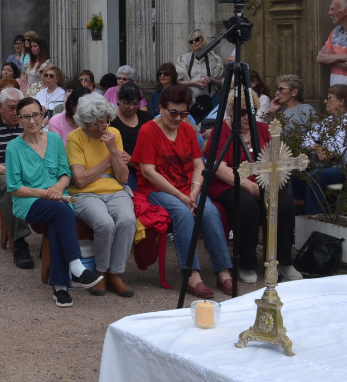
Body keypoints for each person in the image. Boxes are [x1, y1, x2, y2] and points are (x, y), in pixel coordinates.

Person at [132, 85, 234, 299]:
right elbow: (148, 172)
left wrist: (194, 192)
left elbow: (199, 164)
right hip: (156, 188)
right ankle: (191, 274)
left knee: (210, 211)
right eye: (173, 113)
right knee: (183, 212)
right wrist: (182, 197)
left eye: (184, 113)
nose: (179, 118)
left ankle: (223, 270)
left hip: (188, 187)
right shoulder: (148, 130)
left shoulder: (187, 129)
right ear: (161, 108)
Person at [5, 96, 105, 307]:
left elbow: (65, 173)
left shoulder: (55, 140)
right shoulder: (13, 147)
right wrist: (45, 193)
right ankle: (76, 267)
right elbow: (14, 187)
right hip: (29, 201)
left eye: (35, 115)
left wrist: (58, 188)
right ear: (19, 119)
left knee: (57, 221)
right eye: (26, 117)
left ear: (43, 114)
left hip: (59, 198)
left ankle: (60, 287)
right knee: (61, 211)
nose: (32, 121)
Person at [204, 108, 301, 283]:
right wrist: (248, 185)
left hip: (263, 183)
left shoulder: (263, 129)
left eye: (251, 111)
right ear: (231, 112)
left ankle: (283, 261)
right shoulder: (222, 131)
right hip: (228, 184)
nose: (247, 116)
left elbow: (277, 161)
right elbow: (219, 167)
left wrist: (270, 184)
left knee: (284, 204)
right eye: (241, 112)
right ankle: (246, 263)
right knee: (248, 206)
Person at [67, 93, 137, 297]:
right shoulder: (75, 137)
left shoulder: (114, 133)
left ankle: (116, 274)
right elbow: (80, 179)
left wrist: (113, 149)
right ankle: (100, 272)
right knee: (104, 223)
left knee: (127, 220)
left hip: (115, 189)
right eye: (95, 123)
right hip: (85, 193)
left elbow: (123, 177)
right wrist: (109, 160)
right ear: (84, 122)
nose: (101, 127)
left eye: (104, 121)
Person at [0, 88, 33, 269]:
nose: (16, 113)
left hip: (28, 171)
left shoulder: (28, 123)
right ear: (0, 106)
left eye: (19, 108)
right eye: (11, 108)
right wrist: (15, 172)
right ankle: (19, 242)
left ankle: (52, 236)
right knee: (11, 185)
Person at [301, 84, 347, 215]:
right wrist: (316, 148)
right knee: (295, 172)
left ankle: (315, 217)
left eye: (329, 97)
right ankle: (300, 214)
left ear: (341, 101)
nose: (325, 101)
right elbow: (306, 139)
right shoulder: (328, 121)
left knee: (316, 176)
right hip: (330, 166)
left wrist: (332, 153)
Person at [176, 30, 224, 120]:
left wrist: (211, 79)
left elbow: (221, 84)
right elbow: (179, 82)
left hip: (210, 99)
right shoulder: (184, 59)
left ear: (203, 40)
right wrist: (193, 83)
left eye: (197, 39)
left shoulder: (214, 59)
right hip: (192, 101)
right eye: (191, 41)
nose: (194, 42)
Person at [112, 83, 151, 188]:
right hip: (124, 169)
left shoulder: (146, 118)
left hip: (148, 165)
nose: (131, 107)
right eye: (127, 103)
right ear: (119, 100)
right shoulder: (111, 121)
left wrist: (134, 160)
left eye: (135, 103)